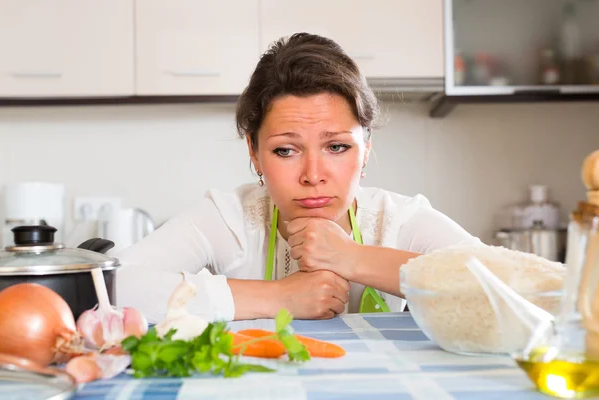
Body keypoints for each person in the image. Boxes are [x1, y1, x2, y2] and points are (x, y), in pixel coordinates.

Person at [114, 33, 479, 324]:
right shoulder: (231, 218)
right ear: (254, 152)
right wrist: (279, 297)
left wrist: (355, 259)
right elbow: (114, 284)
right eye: (286, 151)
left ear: (365, 148)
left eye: (336, 147)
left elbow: (510, 287)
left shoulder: (396, 219)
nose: (313, 176)